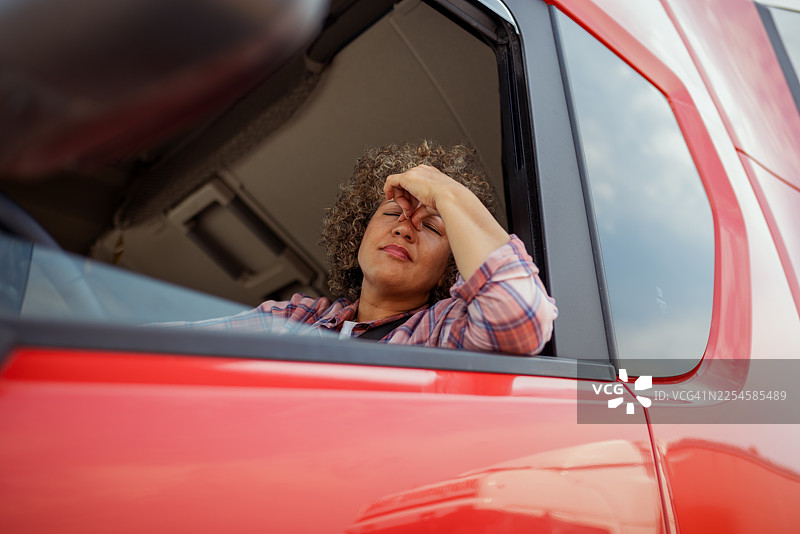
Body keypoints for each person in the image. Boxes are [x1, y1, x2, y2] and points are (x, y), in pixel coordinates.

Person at [186, 140, 557, 355]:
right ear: (359, 233)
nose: (404, 229)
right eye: (393, 213)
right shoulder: (296, 320)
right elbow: (170, 348)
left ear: (451, 266)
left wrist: (446, 192)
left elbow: (520, 317)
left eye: (430, 226)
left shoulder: (443, 331)